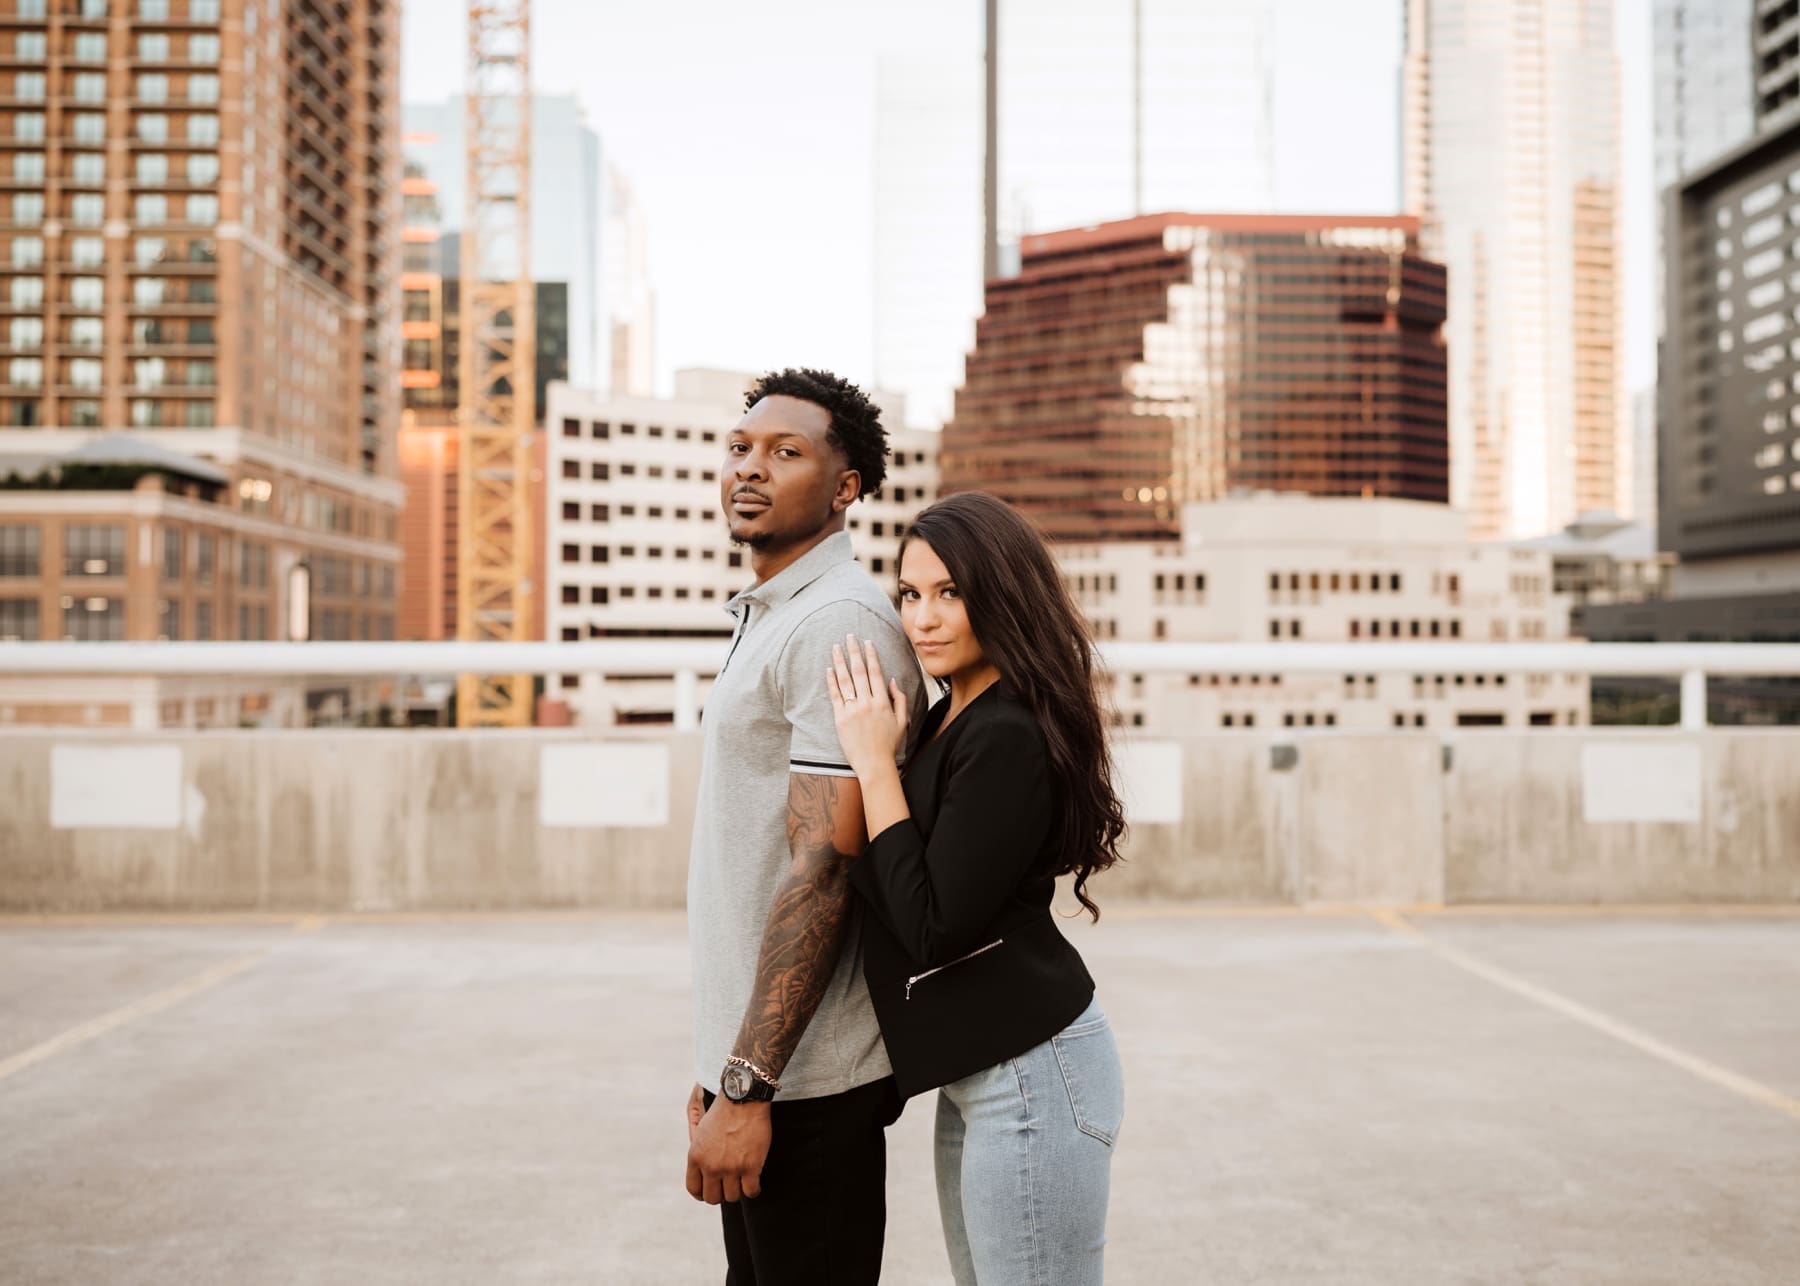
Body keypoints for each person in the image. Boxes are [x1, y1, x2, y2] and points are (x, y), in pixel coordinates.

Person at [826, 490, 1128, 1286]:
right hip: (982, 1075)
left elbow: (931, 925)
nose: (923, 618)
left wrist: (871, 765)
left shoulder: (1006, 733)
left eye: (951, 593)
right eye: (912, 594)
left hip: (1030, 1077)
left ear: (1001, 592)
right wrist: (884, 761)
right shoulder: (945, 719)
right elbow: (883, 880)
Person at [682, 367, 929, 1284]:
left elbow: (824, 868)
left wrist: (747, 1083)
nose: (751, 468)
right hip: (760, 1065)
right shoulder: (777, 611)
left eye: (786, 453)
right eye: (741, 448)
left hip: (805, 1084)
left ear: (845, 487)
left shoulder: (837, 625)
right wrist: (719, 1061)